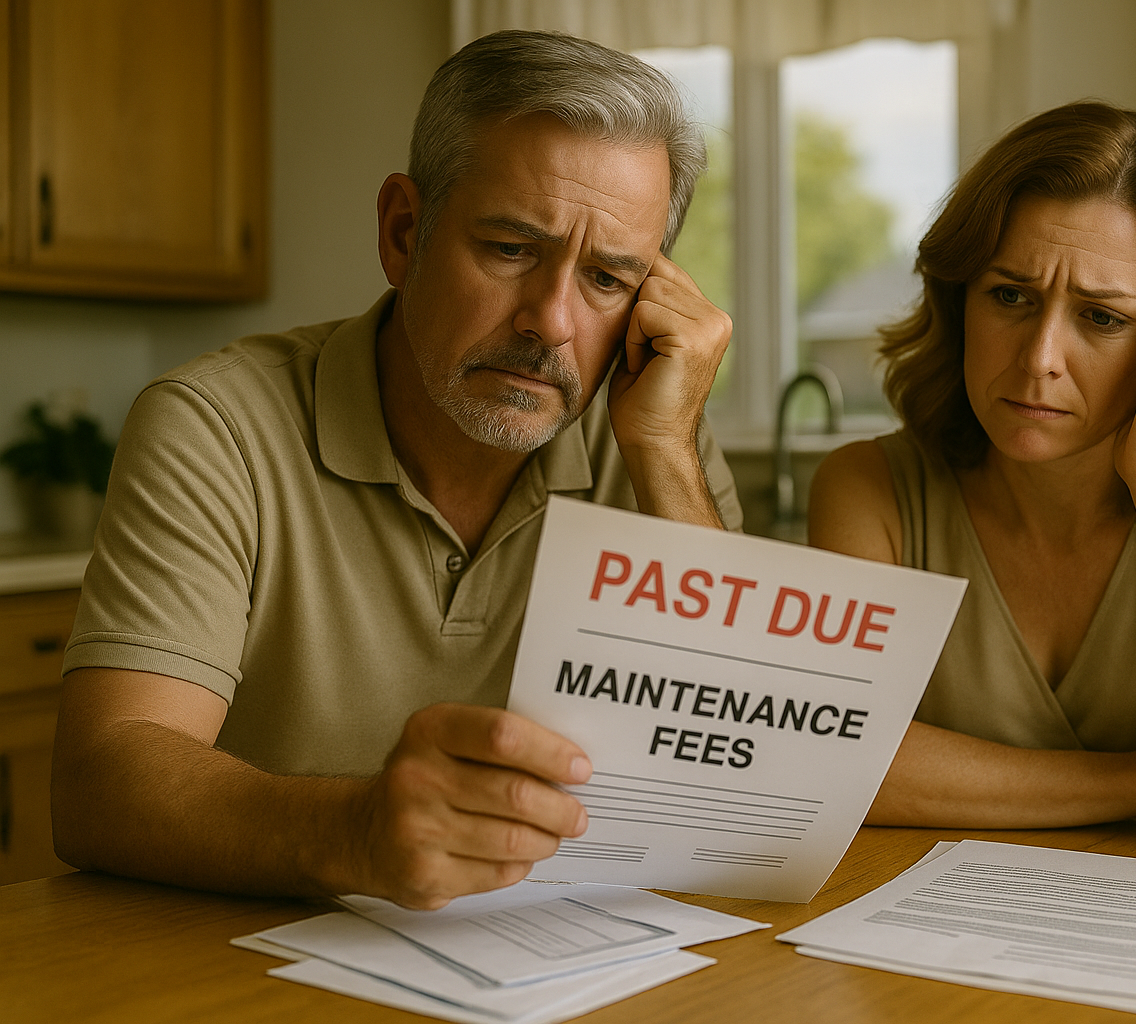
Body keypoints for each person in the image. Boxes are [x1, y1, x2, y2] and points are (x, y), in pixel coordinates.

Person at [51, 31, 740, 908]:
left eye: (607, 277)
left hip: (568, 956)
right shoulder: (215, 426)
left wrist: (666, 452)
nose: (552, 322)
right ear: (403, 231)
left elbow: (741, 769)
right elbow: (100, 781)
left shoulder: (652, 434)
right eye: (510, 249)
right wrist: (355, 832)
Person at [809, 102, 1136, 856]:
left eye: (1101, 318)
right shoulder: (868, 487)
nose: (1039, 358)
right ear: (957, 296)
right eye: (1010, 296)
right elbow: (825, 764)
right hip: (925, 926)